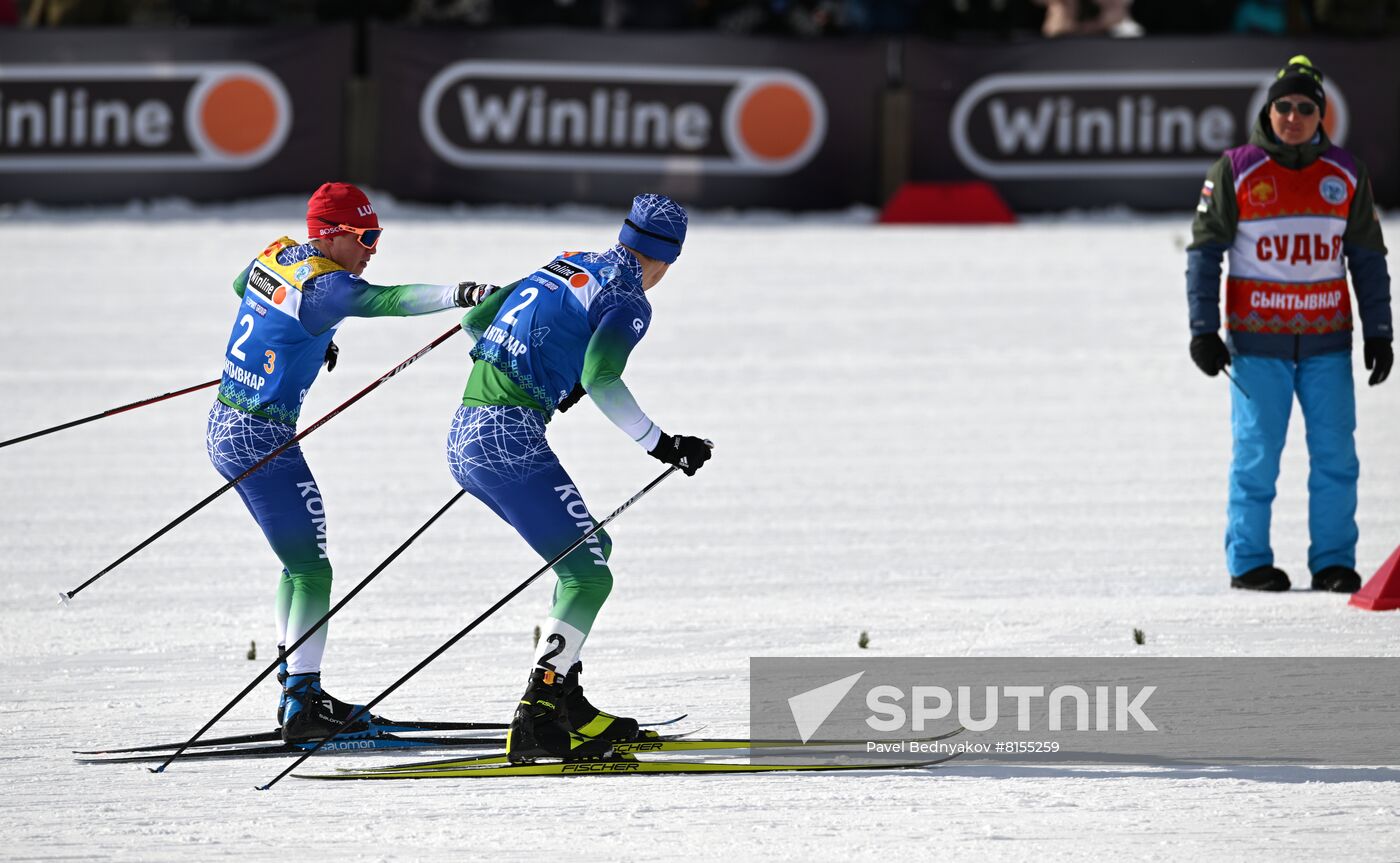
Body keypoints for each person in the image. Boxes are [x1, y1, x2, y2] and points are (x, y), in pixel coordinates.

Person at [208, 182, 494, 742]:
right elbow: (387, 300)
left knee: (298, 565)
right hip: (262, 439)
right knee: (313, 567)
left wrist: (301, 338)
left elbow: (243, 286)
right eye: (365, 237)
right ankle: (303, 703)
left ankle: (298, 691)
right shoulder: (330, 288)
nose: (372, 249)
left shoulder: (279, 252)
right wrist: (462, 292)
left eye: (377, 236)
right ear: (333, 235)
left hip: (224, 425)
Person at [445, 193, 711, 762]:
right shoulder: (629, 299)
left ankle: (565, 695)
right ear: (666, 259)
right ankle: (538, 713)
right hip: (509, 439)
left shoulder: (569, 259)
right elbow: (600, 377)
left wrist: (533, 370)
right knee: (589, 576)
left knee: (592, 550)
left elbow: (475, 319)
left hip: (466, 430)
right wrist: (662, 444)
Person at [1186, 56, 1392, 593]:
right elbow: (1205, 253)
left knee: (1336, 458)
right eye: (1284, 106)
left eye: (1306, 107)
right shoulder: (1236, 169)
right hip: (1258, 348)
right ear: (1268, 109)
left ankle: (1333, 563)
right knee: (1256, 457)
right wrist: (1203, 329)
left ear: (1321, 114)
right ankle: (1249, 561)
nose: (1293, 116)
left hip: (1326, 346)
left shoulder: (1346, 174)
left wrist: (1380, 332)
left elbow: (1368, 258)